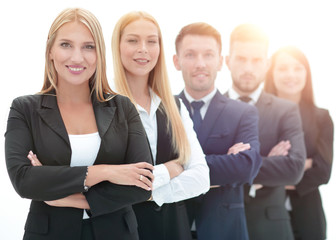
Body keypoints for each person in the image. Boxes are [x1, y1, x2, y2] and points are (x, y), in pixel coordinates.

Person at [5, 8, 154, 240]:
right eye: (66, 45)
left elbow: (143, 183)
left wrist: (69, 197)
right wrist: (104, 172)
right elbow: (24, 180)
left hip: (117, 234)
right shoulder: (24, 109)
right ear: (50, 51)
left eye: (88, 46)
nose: (77, 57)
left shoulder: (122, 107)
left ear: (99, 54)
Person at [111, 12, 210, 240]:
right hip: (121, 231)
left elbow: (201, 178)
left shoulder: (176, 107)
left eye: (151, 41)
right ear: (117, 46)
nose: (143, 48)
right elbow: (105, 185)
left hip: (173, 230)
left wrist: (147, 193)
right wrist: (170, 170)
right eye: (133, 40)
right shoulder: (103, 106)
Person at [173, 22, 262, 240]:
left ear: (221, 62)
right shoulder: (163, 110)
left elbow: (246, 166)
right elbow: (152, 167)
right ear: (177, 61)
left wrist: (176, 167)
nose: (200, 64)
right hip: (172, 227)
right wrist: (224, 162)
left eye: (208, 55)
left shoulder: (244, 112)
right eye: (191, 55)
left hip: (224, 231)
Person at [225, 24, 306, 240]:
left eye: (257, 60)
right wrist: (265, 163)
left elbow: (294, 168)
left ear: (267, 64)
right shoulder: (210, 108)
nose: (249, 67)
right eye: (241, 59)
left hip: (271, 229)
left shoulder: (285, 110)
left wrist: (229, 164)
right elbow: (200, 166)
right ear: (227, 61)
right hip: (217, 226)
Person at [264, 46, 334, 240]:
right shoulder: (256, 114)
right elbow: (254, 168)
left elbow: (322, 171)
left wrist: (275, 172)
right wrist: (303, 164)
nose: (291, 75)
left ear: (307, 73)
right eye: (283, 68)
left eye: (298, 68)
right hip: (263, 215)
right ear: (271, 73)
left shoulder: (321, 118)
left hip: (308, 218)